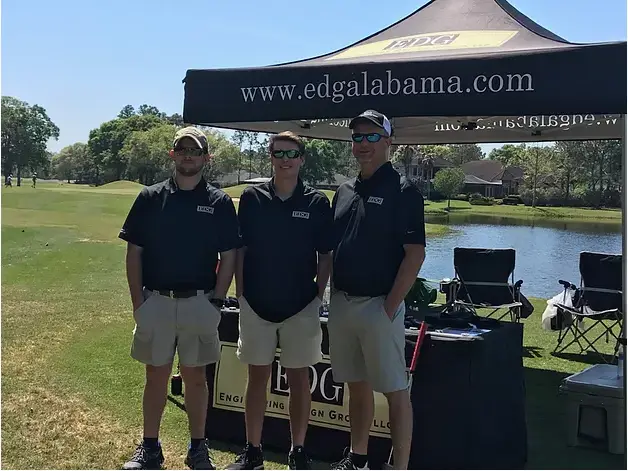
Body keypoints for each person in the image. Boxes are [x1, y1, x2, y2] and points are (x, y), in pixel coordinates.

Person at [119, 126, 240, 470]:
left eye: (195, 150)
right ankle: (150, 448)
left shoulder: (217, 202)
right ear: (172, 154)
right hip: (155, 301)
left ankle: (198, 448)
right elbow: (134, 253)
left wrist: (217, 300)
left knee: (196, 379)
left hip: (199, 302)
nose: (188, 155)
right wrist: (137, 302)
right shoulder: (150, 198)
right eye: (182, 149)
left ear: (206, 158)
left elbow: (229, 255)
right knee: (155, 377)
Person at [227, 131, 333, 470]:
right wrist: (240, 292)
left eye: (292, 154)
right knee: (257, 378)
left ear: (302, 158)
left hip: (301, 306)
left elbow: (325, 255)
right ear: (270, 157)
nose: (285, 160)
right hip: (256, 304)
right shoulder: (252, 198)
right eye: (279, 153)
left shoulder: (317, 202)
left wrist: (317, 294)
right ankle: (253, 451)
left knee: (299, 379)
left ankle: (297, 451)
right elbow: (240, 250)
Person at [328, 110, 426, 470]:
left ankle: (398, 466)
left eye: (371, 137)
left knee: (396, 391)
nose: (363, 144)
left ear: (388, 141)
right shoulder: (344, 191)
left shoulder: (403, 191)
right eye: (357, 138)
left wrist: (389, 307)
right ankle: (358, 458)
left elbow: (415, 254)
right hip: (341, 303)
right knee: (356, 385)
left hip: (378, 306)